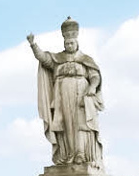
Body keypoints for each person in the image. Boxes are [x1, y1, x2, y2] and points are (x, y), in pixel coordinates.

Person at [27, 17, 104, 167]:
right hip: (62, 94)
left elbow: (95, 76)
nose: (69, 45)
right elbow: (43, 58)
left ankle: (81, 153)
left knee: (81, 124)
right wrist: (33, 44)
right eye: (67, 43)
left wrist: (92, 86)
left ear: (76, 43)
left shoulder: (85, 59)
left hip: (81, 94)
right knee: (65, 124)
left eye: (71, 43)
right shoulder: (58, 59)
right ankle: (68, 153)